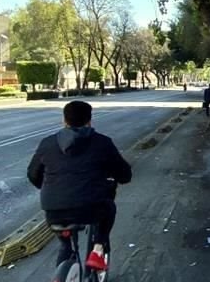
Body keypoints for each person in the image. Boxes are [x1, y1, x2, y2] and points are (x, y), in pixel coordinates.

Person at [27, 100, 132, 270]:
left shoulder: (47, 143)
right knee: (109, 208)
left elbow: (33, 175)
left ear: (64, 121)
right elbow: (125, 175)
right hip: (91, 208)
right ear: (90, 121)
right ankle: (98, 249)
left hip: (54, 210)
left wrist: (51, 188)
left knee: (65, 244)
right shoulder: (102, 142)